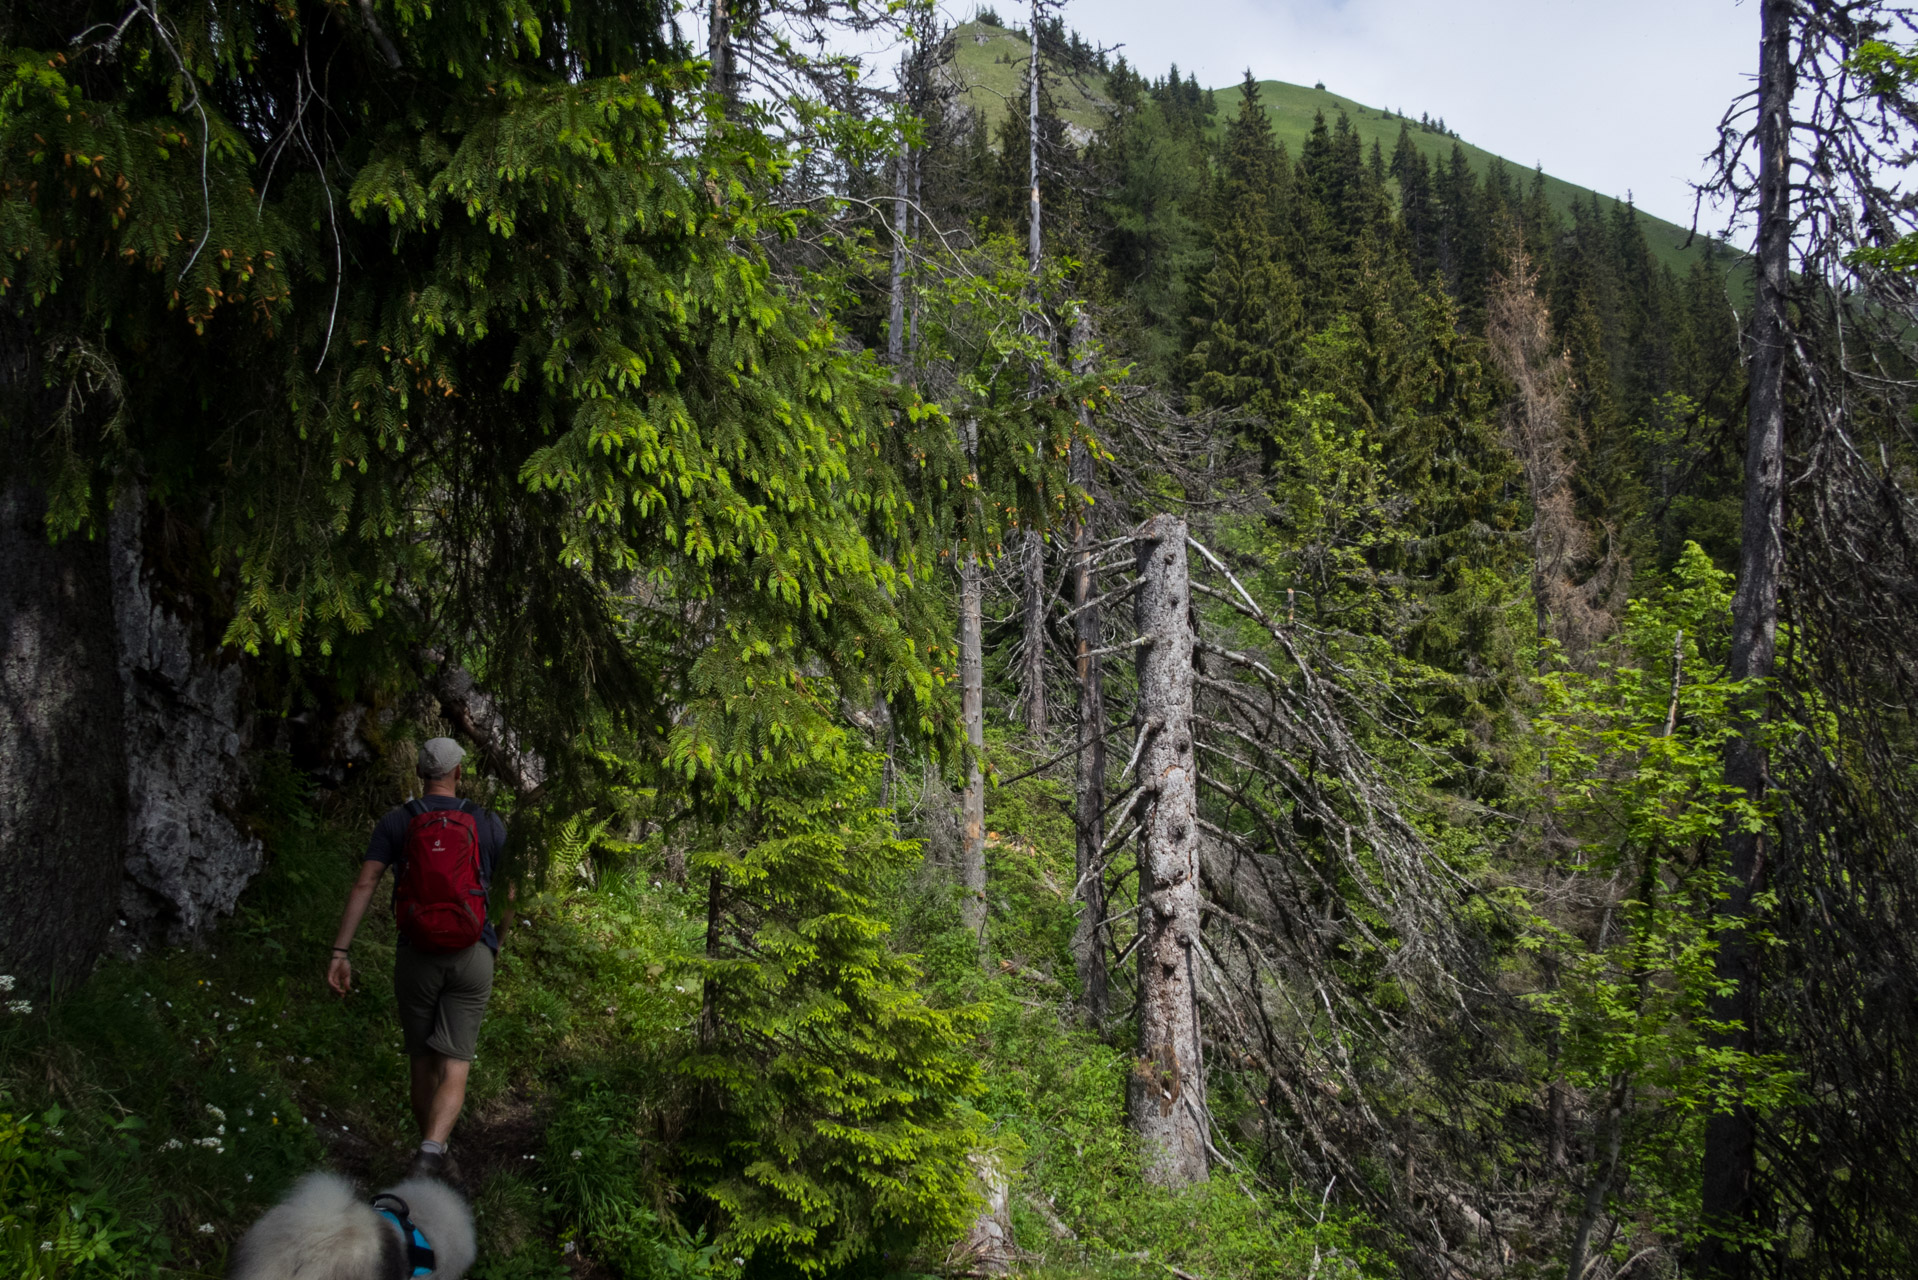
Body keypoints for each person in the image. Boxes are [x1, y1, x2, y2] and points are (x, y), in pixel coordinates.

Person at [328, 737, 505, 1179]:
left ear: (421, 774)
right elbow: (511, 891)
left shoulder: (396, 821)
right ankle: (431, 1153)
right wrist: (497, 939)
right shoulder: (485, 820)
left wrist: (340, 950)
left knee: (422, 1061)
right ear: (459, 772)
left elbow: (365, 883)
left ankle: (432, 1153)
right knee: (456, 1063)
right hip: (473, 951)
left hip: (416, 954)